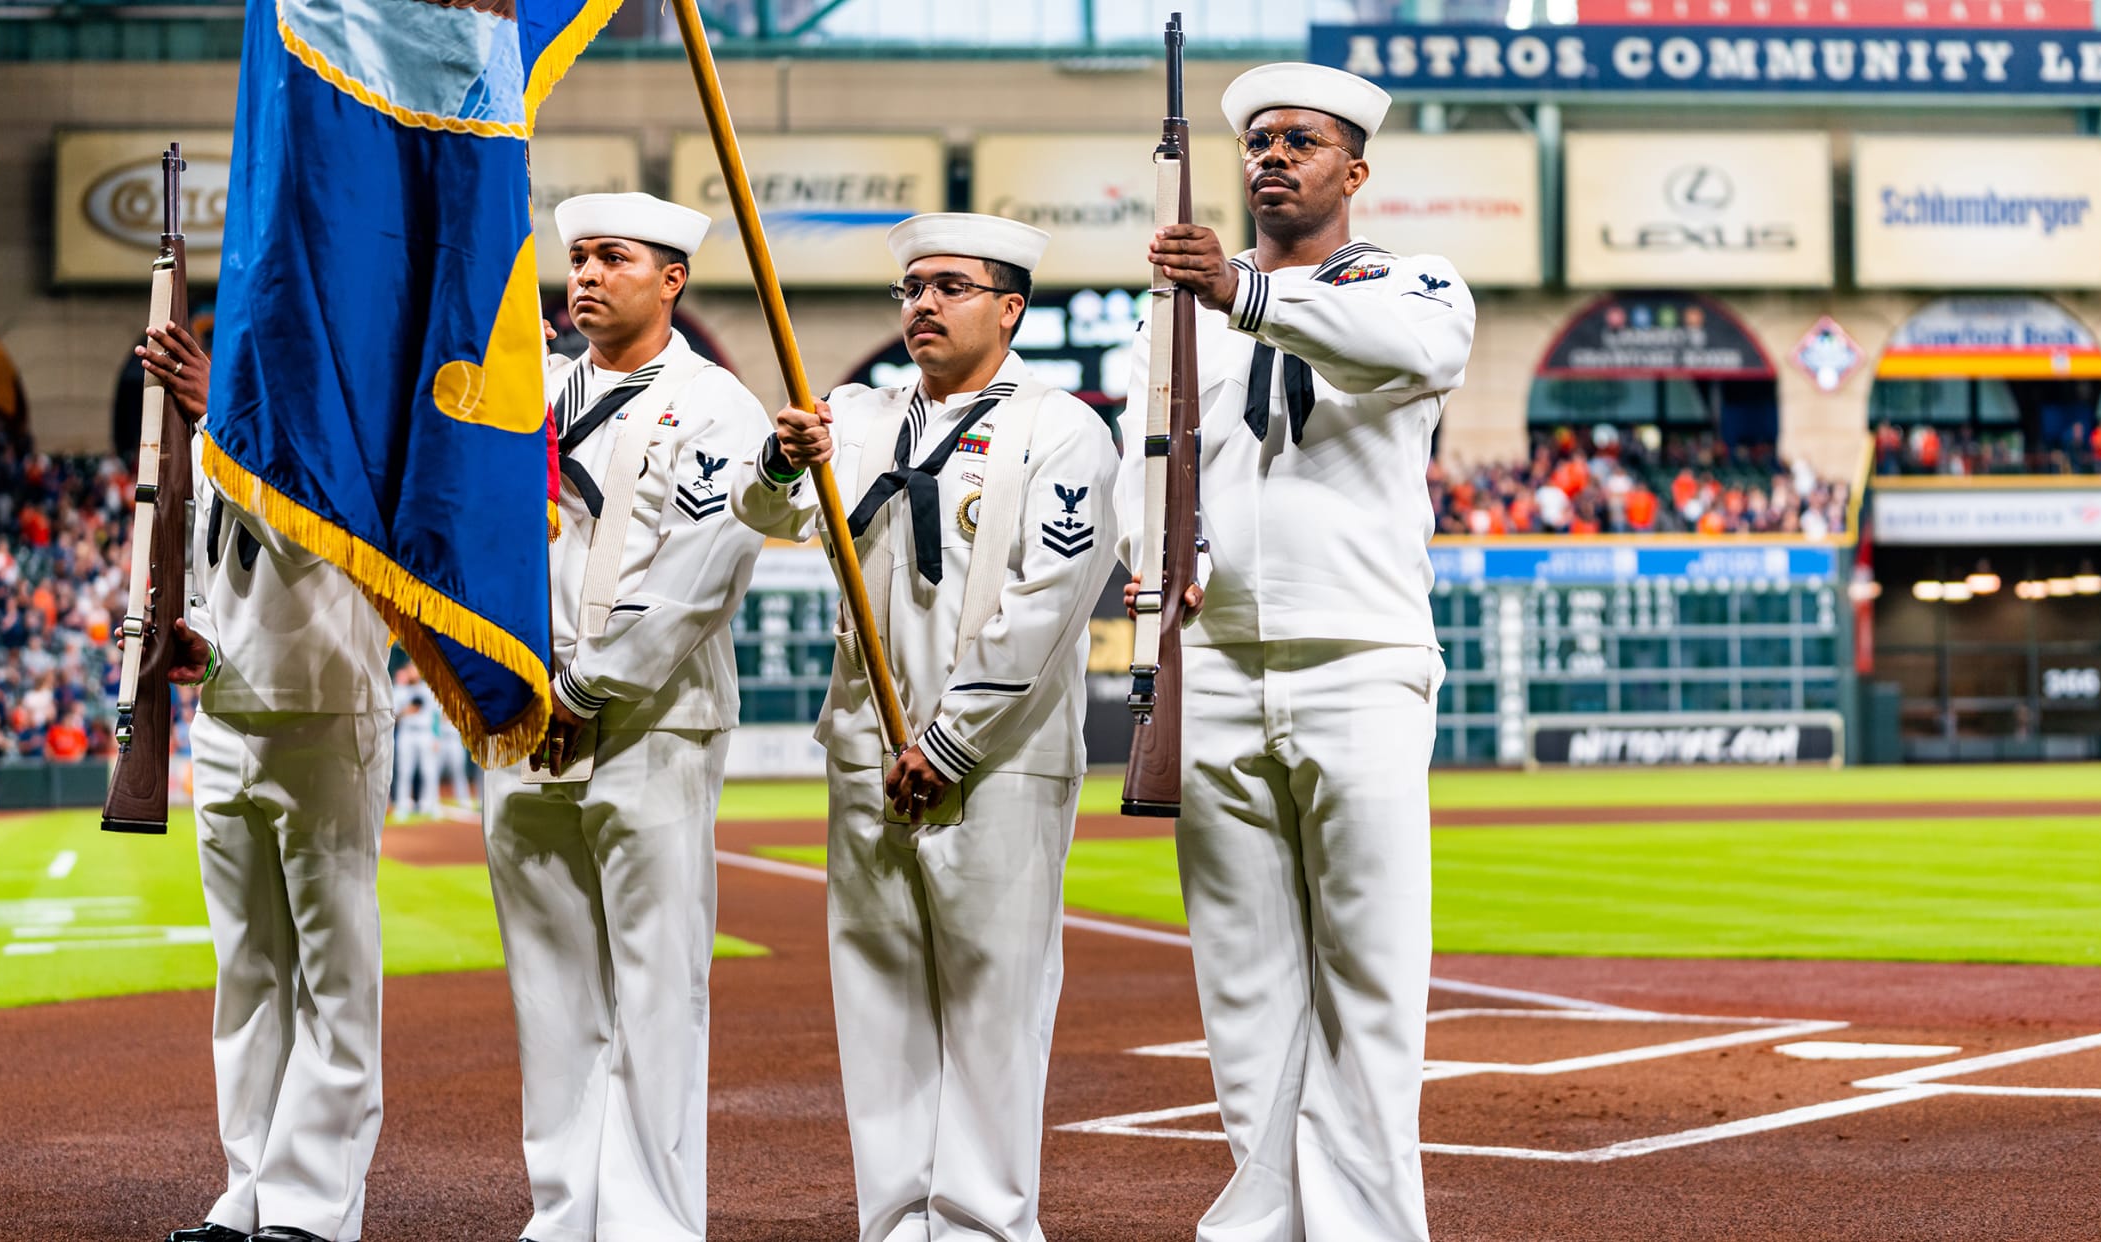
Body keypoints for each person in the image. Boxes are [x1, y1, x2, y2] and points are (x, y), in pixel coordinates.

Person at [1114, 63, 1474, 1242]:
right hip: (1213, 666)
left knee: (1370, 983)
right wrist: (1156, 570)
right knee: (1246, 991)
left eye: (1302, 142)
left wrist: (1240, 294)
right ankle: (1260, 1226)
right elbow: (1145, 460)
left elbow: (1403, 357)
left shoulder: (1416, 284)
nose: (1273, 155)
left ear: (1353, 171)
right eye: (1259, 142)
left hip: (1360, 661)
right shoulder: (1170, 315)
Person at [732, 213, 1118, 1242]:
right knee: (879, 1005)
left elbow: (1050, 596)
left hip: (994, 764)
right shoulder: (855, 418)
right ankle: (897, 1220)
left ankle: (989, 1225)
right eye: (911, 289)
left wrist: (950, 740)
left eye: (950, 286)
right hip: (866, 750)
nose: (925, 305)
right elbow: (765, 518)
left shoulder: (1062, 426)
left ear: (1010, 306)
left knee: (994, 1005)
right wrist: (780, 461)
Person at [481, 192, 770, 1242]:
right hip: (521, 722)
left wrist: (587, 687)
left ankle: (650, 1224)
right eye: (579, 258)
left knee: (654, 990)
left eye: (613, 257)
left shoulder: (716, 407)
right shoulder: (526, 402)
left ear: (672, 280)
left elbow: (698, 577)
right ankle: (563, 1215)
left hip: (649, 722)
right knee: (550, 996)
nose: (587, 275)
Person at [142, 317, 397, 1242]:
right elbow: (230, 578)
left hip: (327, 715)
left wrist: (225, 419)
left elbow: (306, 542)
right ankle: (245, 1189)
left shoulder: (332, 426)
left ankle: (316, 1207)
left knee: (334, 978)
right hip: (228, 715)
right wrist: (196, 638)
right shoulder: (221, 445)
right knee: (247, 976)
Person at [390, 663, 436, 819]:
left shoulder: (428, 689)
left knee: (428, 771)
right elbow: (392, 715)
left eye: (415, 669)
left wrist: (436, 737)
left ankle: (427, 805)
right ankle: (402, 805)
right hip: (407, 733)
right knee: (404, 771)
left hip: (425, 733)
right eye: (410, 669)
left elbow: (436, 716)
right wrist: (406, 710)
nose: (413, 672)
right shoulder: (400, 691)